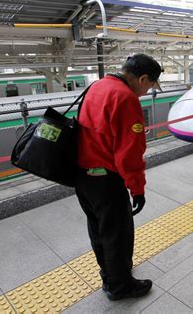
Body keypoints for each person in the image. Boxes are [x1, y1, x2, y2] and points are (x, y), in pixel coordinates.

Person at [75, 54, 162, 301]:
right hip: (106, 178)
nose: (146, 92)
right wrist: (137, 189)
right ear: (143, 78)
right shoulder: (125, 98)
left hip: (83, 177)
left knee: (99, 229)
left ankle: (109, 274)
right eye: (149, 85)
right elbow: (129, 154)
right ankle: (120, 286)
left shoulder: (98, 85)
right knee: (118, 233)